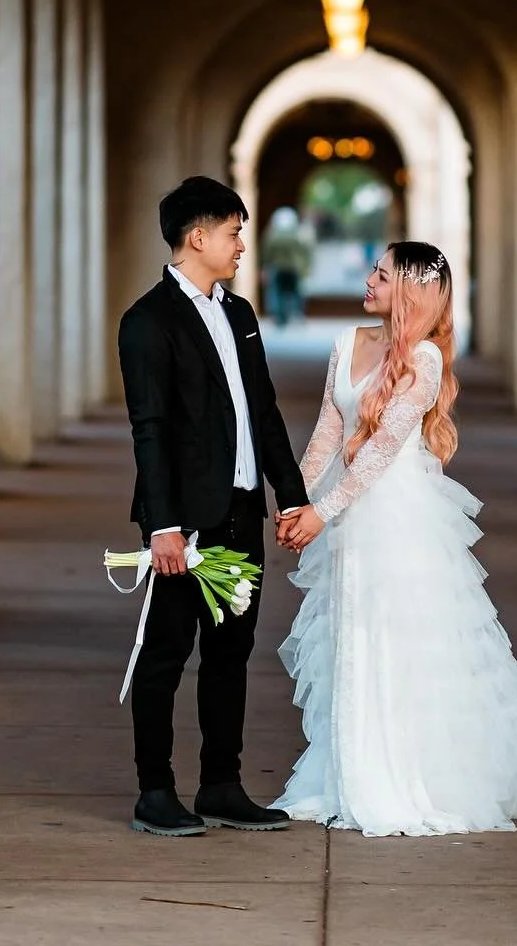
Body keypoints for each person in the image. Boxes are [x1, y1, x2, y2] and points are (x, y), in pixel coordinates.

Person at [274, 241, 517, 836]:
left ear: (408, 291)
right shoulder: (347, 343)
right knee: (346, 630)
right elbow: (330, 430)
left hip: (395, 513)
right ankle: (346, 771)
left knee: (397, 632)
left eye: (382, 274)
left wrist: (321, 512)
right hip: (341, 507)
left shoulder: (426, 361)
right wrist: (295, 501)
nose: (370, 280)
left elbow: (381, 451)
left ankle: (405, 776)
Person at [117, 175, 309, 838]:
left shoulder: (240, 315)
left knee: (230, 651)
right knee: (166, 651)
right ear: (197, 236)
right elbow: (151, 427)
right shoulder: (148, 321)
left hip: (239, 513)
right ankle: (155, 791)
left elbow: (264, 412)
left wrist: (292, 498)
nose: (241, 246)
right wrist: (163, 527)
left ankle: (222, 786)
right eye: (232, 233)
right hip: (187, 524)